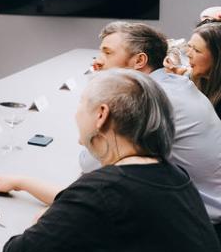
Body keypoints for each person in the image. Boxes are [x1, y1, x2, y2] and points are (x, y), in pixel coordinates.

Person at [0, 69, 221, 252]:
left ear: (101, 115)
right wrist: (24, 182)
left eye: (81, 104)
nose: (76, 113)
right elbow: (97, 205)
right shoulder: (174, 176)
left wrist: (40, 222)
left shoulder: (104, 192)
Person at [85, 21, 221, 235]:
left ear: (140, 61)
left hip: (202, 225)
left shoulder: (149, 100)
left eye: (107, 53)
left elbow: (93, 164)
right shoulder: (174, 84)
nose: (97, 61)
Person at [189, 21, 221, 115]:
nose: (188, 54)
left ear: (217, 58)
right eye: (189, 47)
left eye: (196, 50)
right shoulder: (191, 82)